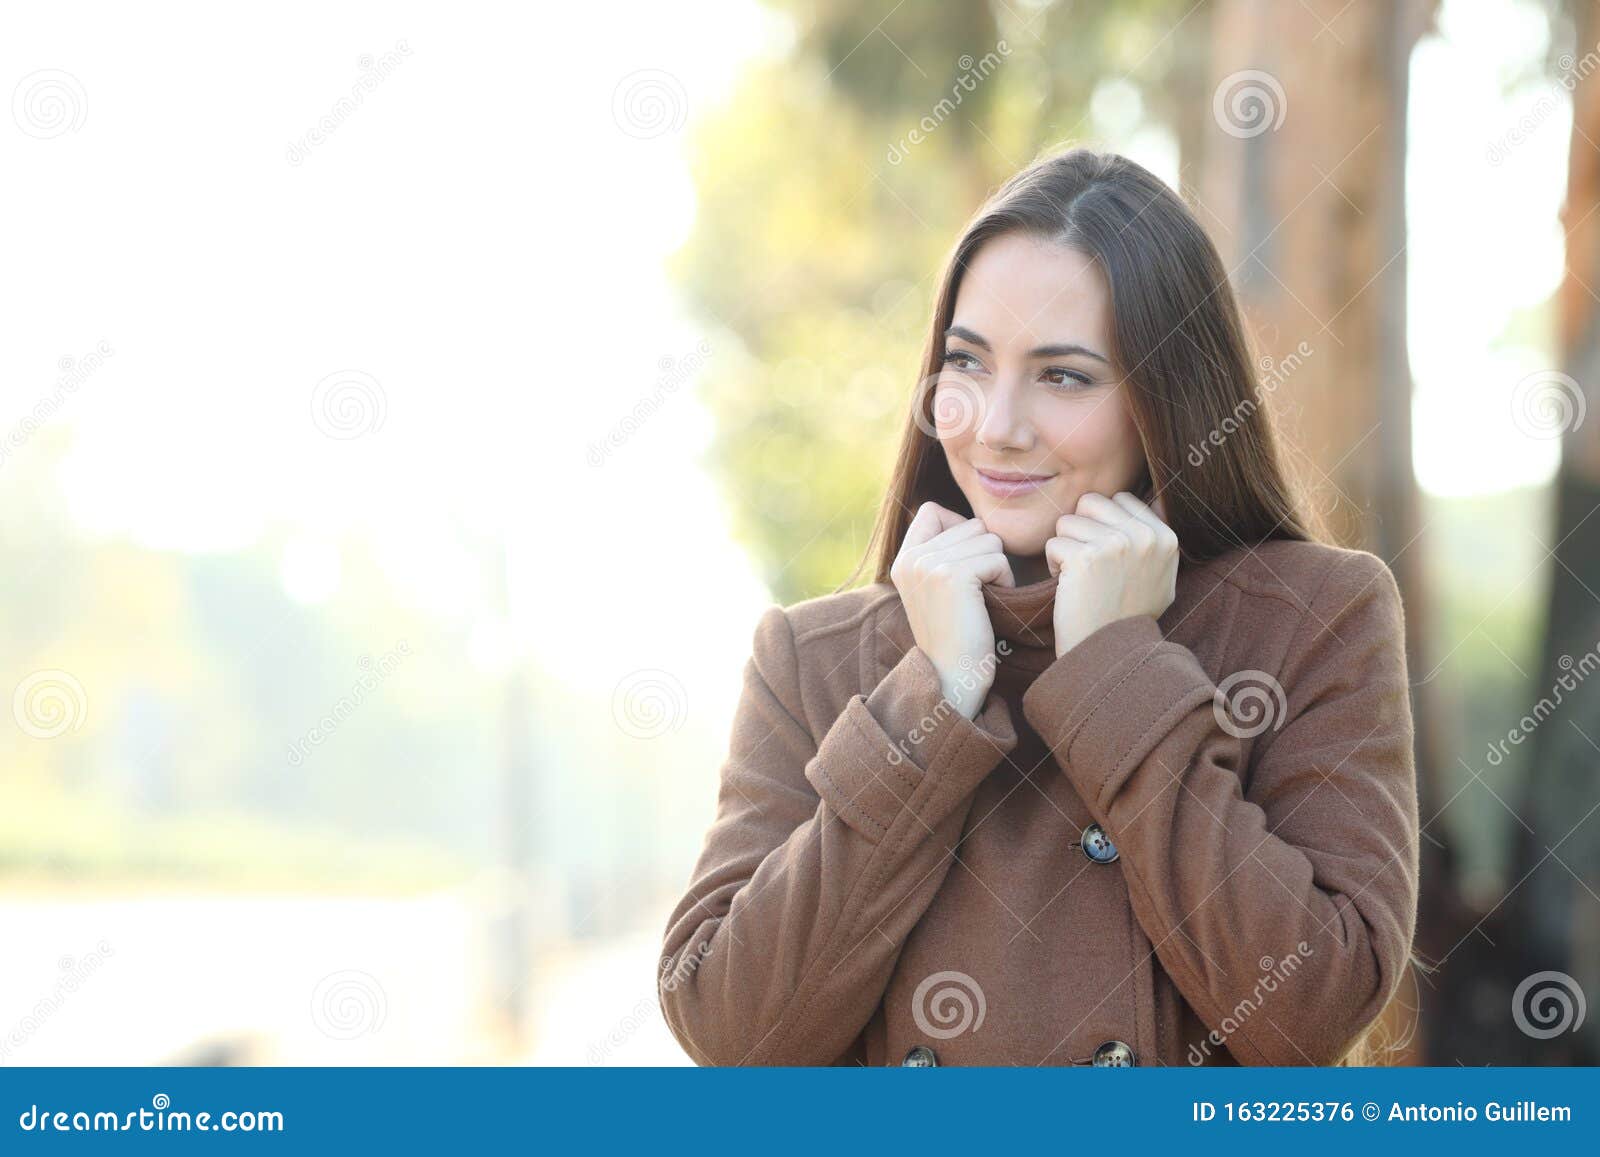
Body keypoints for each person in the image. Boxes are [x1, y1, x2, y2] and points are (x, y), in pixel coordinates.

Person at [656, 146, 1419, 1067]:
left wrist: (1115, 671)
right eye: (968, 364)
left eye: (1063, 376)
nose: (997, 425)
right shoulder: (813, 657)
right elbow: (730, 1033)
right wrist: (934, 695)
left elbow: (1312, 1011)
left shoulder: (1310, 618)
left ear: (1166, 396)